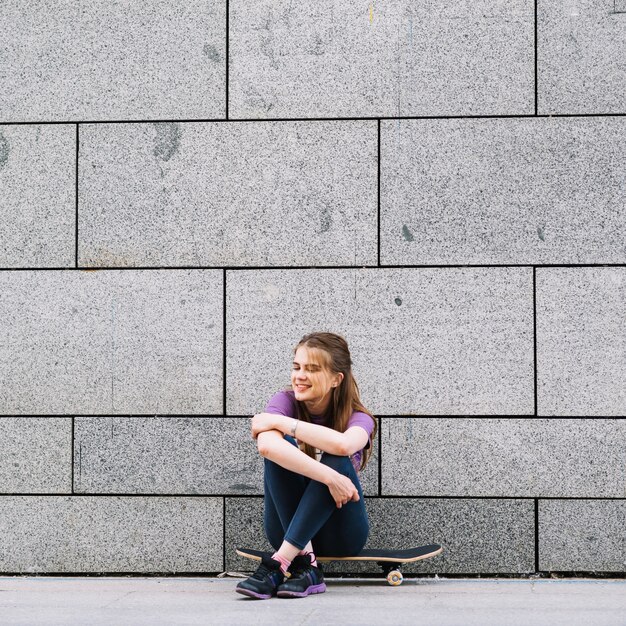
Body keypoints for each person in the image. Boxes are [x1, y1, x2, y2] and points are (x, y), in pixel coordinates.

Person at [236, 332, 377, 600]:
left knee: (337, 458)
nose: (300, 375)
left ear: (336, 379)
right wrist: (329, 478)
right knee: (282, 450)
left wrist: (285, 424)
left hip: (342, 533)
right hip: (286, 527)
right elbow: (267, 447)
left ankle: (279, 564)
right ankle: (305, 565)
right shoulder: (284, 401)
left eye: (312, 369)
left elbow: (345, 446)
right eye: (297, 367)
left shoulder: (359, 417)